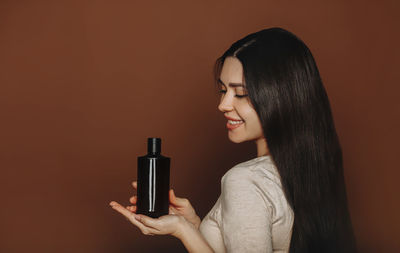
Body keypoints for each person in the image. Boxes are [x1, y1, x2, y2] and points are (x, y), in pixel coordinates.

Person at [109, 27, 357, 253]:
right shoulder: (311, 169)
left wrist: (182, 231)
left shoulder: (245, 180)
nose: (222, 105)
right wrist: (194, 224)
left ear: (282, 98)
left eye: (241, 94)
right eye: (223, 90)